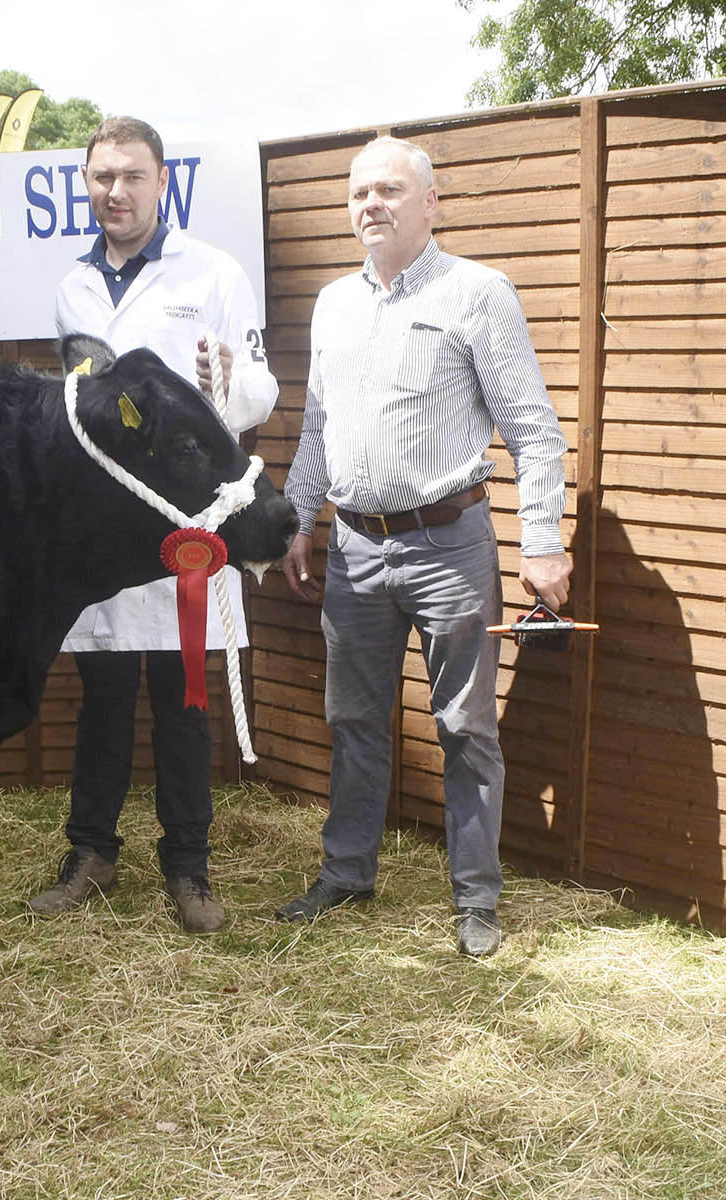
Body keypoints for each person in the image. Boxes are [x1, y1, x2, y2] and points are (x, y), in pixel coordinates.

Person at [276, 136, 572, 957]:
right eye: (359, 193)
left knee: (466, 726)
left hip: (450, 547)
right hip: (354, 550)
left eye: (389, 190)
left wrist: (542, 541)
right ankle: (347, 874)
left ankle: (476, 900)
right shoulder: (333, 304)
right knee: (353, 719)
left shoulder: (478, 293)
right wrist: (300, 521)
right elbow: (318, 432)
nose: (371, 204)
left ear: (431, 203)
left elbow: (534, 433)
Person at [29, 116, 278, 933]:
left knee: (184, 700)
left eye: (132, 175)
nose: (117, 192)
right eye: (103, 176)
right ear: (87, 183)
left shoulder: (214, 273)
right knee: (101, 697)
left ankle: (189, 867)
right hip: (103, 531)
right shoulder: (72, 288)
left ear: (162, 181)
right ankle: (92, 852)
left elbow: (258, 396)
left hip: (185, 527)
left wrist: (228, 379)